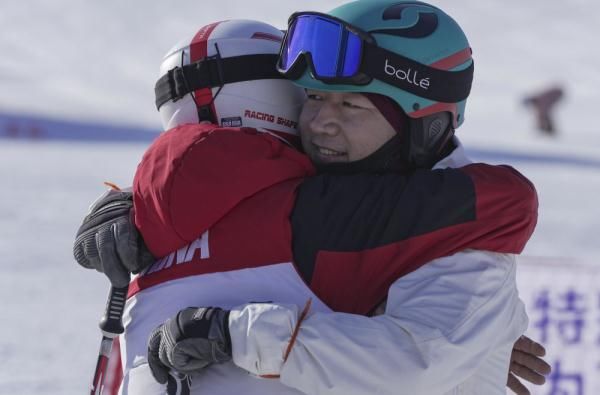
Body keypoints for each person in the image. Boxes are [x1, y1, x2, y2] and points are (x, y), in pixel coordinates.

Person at [74, 10, 548, 395]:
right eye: (315, 98)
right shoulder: (332, 203)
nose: (320, 122)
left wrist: (480, 340)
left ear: (426, 122)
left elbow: (417, 360)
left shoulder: (461, 251)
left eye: (351, 106)